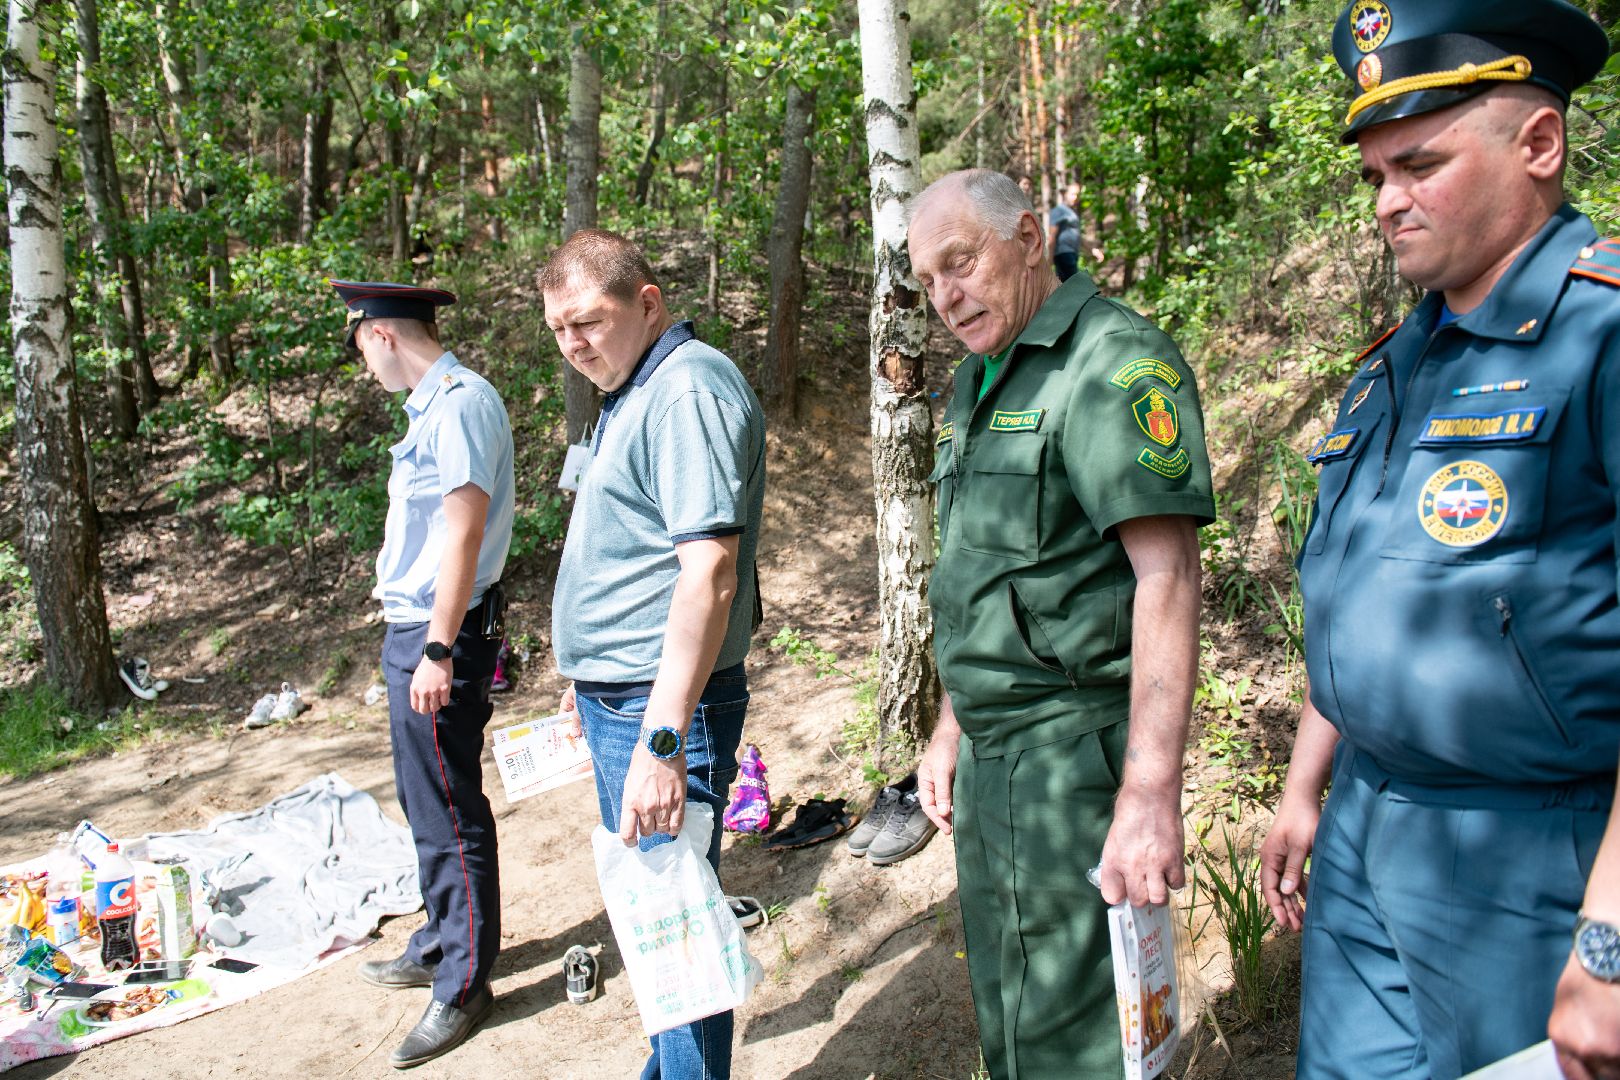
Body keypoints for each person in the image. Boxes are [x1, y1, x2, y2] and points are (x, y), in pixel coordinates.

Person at [1256, 3, 1620, 1077]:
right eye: (1374, 176)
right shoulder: (1398, 359)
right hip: (1370, 826)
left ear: (1540, 144)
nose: (1387, 202)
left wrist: (1607, 940)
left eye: (1418, 164)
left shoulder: (1601, 336)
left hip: (1531, 853)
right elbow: (1366, 591)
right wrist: (1304, 787)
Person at [907, 169, 1214, 1079]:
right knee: (1013, 1019)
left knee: (1082, 1042)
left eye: (960, 263)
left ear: (1031, 239)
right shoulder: (978, 381)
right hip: (996, 764)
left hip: (1079, 760)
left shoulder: (1112, 364)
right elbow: (983, 570)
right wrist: (951, 725)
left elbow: (1169, 576)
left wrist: (1150, 794)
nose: (945, 296)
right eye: (927, 281)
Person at [540, 230, 765, 1080]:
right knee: (654, 916)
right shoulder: (635, 389)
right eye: (559, 330)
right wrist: (589, 678)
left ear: (647, 301)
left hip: (663, 705)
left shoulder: (686, 391)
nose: (574, 344)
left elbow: (708, 572)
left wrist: (661, 741)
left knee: (676, 921)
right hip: (624, 691)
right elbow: (633, 550)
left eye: (589, 321)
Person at [328, 279, 514, 1069]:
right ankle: (443, 940)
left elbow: (463, 537)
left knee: (448, 806)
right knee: (423, 797)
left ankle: (465, 984)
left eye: (361, 350)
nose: (366, 366)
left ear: (380, 337)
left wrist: (438, 648)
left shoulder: (462, 403)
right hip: (419, 629)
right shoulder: (435, 406)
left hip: (443, 634)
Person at [1047, 181, 1082, 282]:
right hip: (1064, 254)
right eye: (1072, 194)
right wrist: (1050, 259)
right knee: (1072, 284)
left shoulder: (1071, 212)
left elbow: (1077, 235)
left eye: (1077, 195)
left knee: (1067, 285)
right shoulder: (1058, 211)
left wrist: (1091, 249)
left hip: (1072, 253)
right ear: (1064, 194)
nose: (1075, 197)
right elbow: (1052, 236)